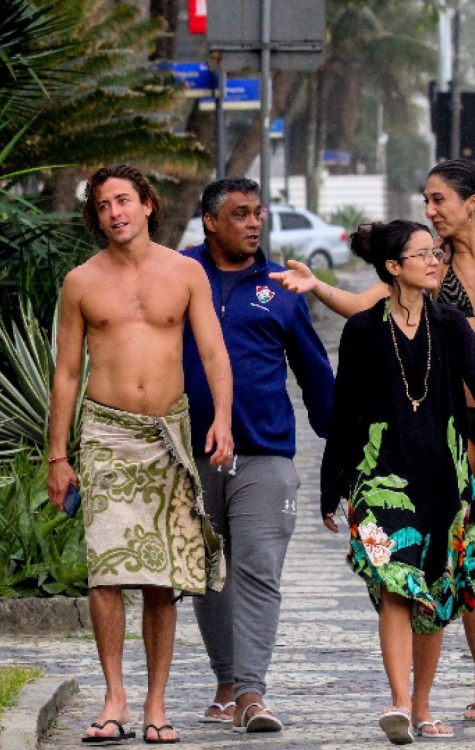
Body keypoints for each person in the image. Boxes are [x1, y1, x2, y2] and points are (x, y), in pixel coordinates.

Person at [273, 159, 475, 723]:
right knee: (469, 552)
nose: (430, 212)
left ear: (473, 200)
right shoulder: (428, 260)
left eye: (438, 200)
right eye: (426, 203)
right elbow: (369, 310)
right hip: (449, 423)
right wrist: (317, 287)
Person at [47, 163, 234, 745]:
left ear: (148, 204)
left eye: (123, 201)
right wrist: (58, 455)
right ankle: (114, 699)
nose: (114, 213)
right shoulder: (81, 282)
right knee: (106, 572)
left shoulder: (186, 274)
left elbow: (212, 351)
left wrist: (223, 420)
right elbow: (67, 373)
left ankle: (156, 704)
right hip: (105, 436)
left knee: (161, 578)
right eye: (103, 206)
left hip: (168, 436)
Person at [319, 219, 475, 744]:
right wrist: (331, 484)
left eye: (436, 252)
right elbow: (344, 414)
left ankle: (423, 705)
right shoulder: (364, 329)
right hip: (381, 477)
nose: (435, 260)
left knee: (432, 592)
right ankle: (399, 702)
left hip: (443, 474)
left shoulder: (449, 324)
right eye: (423, 254)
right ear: (394, 268)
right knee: (396, 584)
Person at [182, 177, 335, 733]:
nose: (253, 224)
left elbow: (317, 378)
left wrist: (339, 457)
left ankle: (251, 692)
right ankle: (226, 679)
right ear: (211, 222)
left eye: (258, 214)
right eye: (241, 214)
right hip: (190, 453)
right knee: (205, 574)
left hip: (266, 453)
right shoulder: (178, 273)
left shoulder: (281, 287)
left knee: (258, 570)